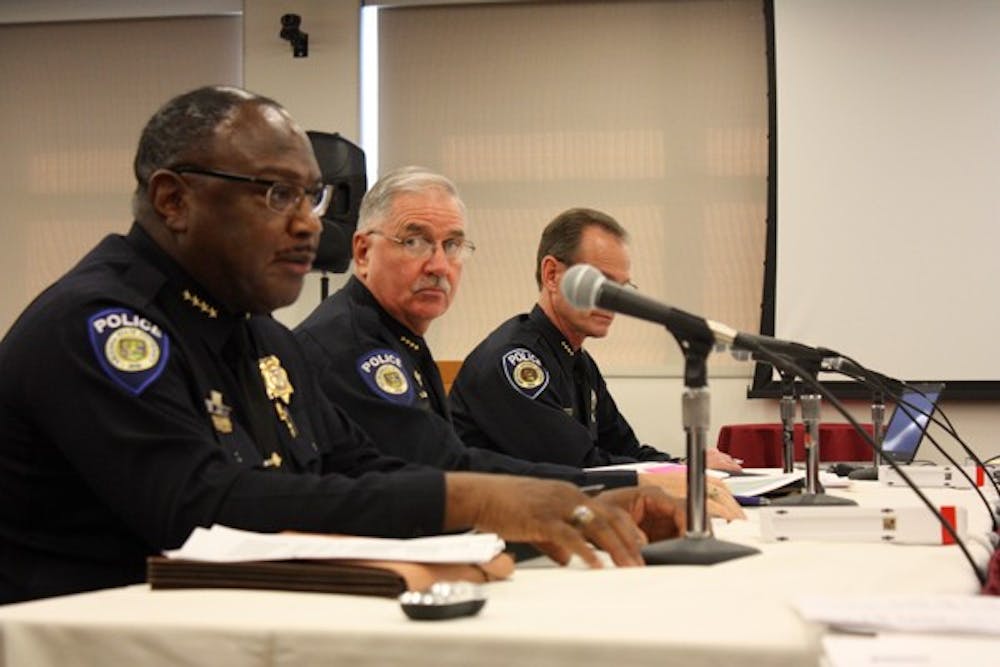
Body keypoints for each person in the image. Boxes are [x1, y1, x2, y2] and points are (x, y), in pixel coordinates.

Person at [0, 86, 682, 605]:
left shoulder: (257, 333)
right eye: (276, 194)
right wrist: (477, 501)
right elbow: (201, 511)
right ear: (174, 200)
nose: (307, 226)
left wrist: (569, 494)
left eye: (313, 197)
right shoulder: (101, 325)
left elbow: (358, 463)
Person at [294, 168, 742, 519]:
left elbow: (620, 447)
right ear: (362, 252)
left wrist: (674, 472)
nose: (438, 264)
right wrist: (642, 485)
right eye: (415, 241)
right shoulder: (357, 346)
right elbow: (444, 472)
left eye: (453, 245)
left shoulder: (397, 337)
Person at [449, 207, 744, 471]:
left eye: (622, 289)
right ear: (552, 275)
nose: (613, 301)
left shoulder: (579, 361)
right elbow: (578, 468)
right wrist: (682, 471)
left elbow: (626, 450)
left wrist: (684, 466)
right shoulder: (513, 360)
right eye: (600, 284)